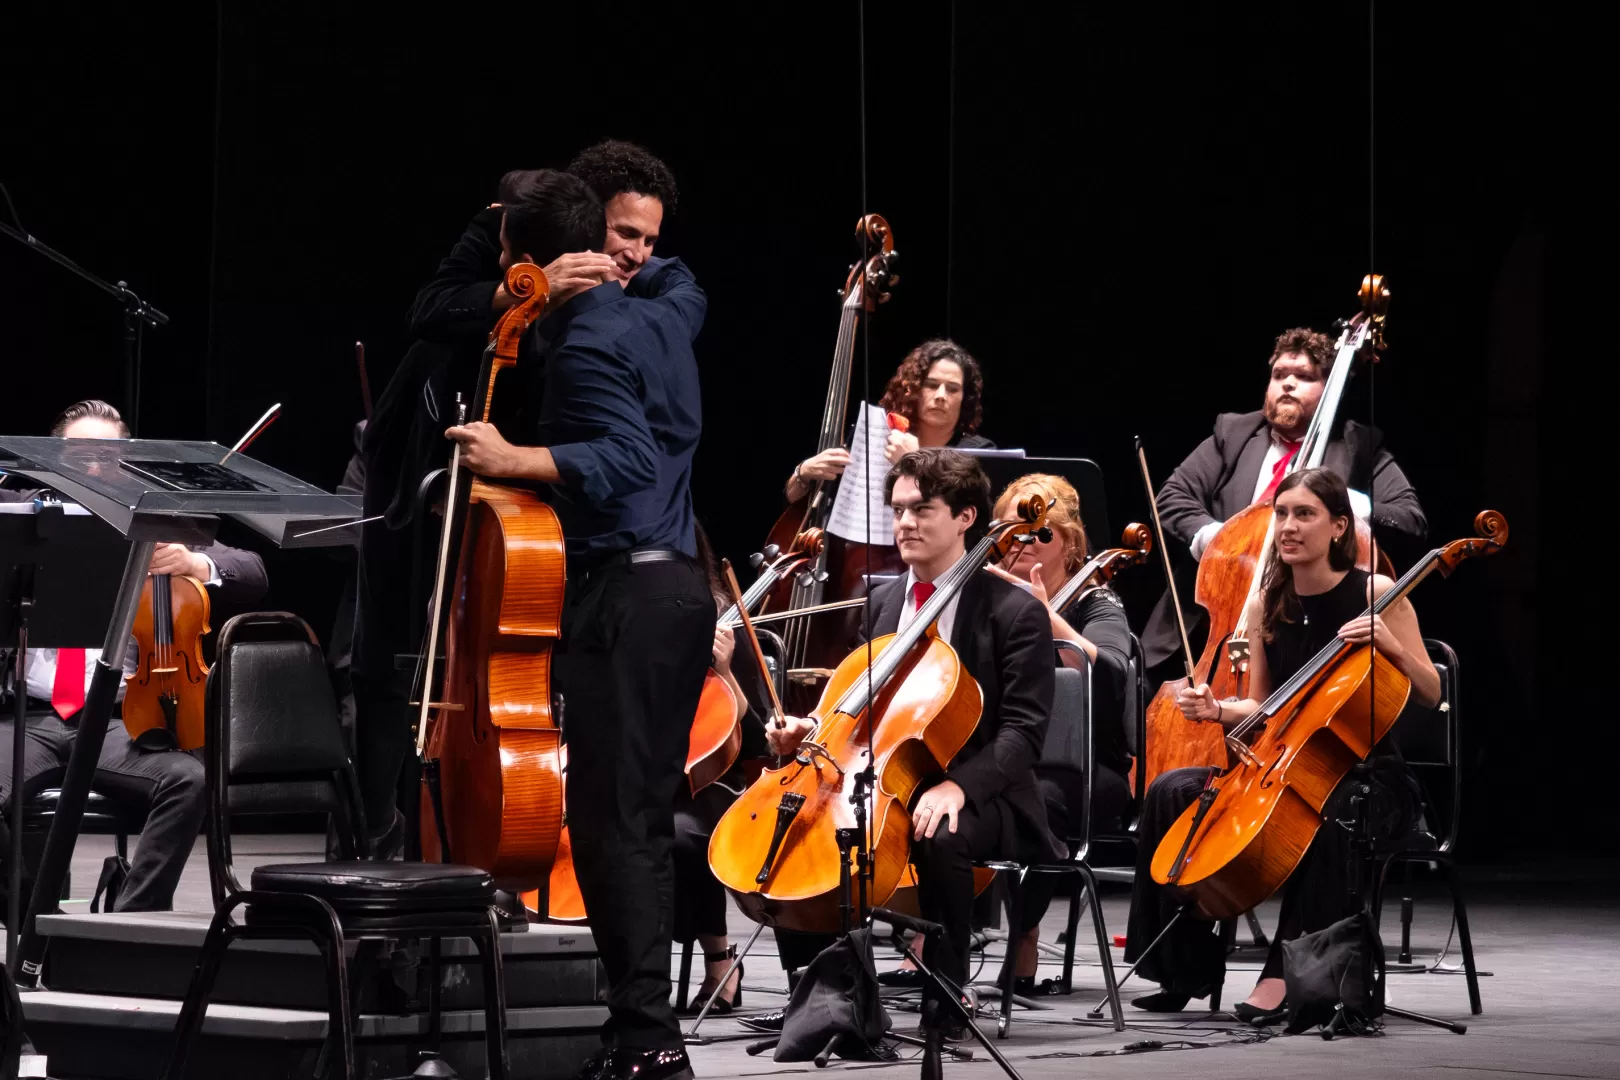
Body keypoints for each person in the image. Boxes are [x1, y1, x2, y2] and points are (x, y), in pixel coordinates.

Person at [352, 140, 699, 860]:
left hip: (523, 484)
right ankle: (378, 830)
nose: (635, 252)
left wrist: (614, 297)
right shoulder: (507, 227)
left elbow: (685, 294)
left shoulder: (642, 284)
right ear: (583, 219)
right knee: (396, 650)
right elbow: (430, 308)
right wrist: (525, 284)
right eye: (623, 233)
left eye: (647, 239)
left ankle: (488, 835)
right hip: (433, 460)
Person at [442, 169, 710, 1080]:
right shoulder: (668, 308)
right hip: (677, 591)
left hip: (627, 595)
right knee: (632, 819)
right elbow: (680, 277)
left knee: (611, 827)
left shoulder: (591, 336)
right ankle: (638, 1029)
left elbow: (627, 455)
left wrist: (513, 455)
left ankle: (645, 1040)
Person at [760, 448, 1064, 1037]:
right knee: (797, 823)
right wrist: (813, 731)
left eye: (922, 509)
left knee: (937, 829)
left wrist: (958, 787)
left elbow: (1024, 734)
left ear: (966, 518)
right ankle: (821, 989)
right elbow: (868, 711)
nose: (905, 523)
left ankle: (947, 992)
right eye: (898, 511)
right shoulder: (880, 601)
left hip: (987, 790)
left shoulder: (1014, 611)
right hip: (888, 778)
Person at [1125, 467, 1435, 1021]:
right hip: (1283, 760)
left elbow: (1431, 692)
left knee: (1330, 810)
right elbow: (1263, 707)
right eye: (1282, 514)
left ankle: (1286, 972)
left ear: (1339, 526)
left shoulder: (1375, 593)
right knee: (1172, 790)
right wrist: (1217, 710)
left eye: (1305, 514)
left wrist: (1391, 645)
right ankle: (1181, 970)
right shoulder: (1267, 600)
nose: (1288, 527)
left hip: (1369, 777)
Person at [0, 400, 268, 911]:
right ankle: (33, 915)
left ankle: (127, 919)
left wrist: (194, 560)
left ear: (126, 459)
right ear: (53, 457)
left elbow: (252, 572)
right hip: (25, 718)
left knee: (188, 781)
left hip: (116, 720)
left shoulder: (154, 519)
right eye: (80, 454)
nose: (93, 465)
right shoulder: (20, 511)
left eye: (107, 454)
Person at [1142, 327, 1426, 678]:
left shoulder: (1359, 448)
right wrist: (1217, 542)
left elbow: (1409, 518)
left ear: (1330, 390)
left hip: (1306, 629)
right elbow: (1172, 497)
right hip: (1208, 624)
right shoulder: (1233, 433)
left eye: (1304, 377)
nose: (1287, 384)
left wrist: (1341, 501)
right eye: (1279, 375)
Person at [983, 473, 1134, 992]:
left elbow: (1113, 670)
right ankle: (926, 943)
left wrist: (1049, 621)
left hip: (1088, 769)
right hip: (1005, 757)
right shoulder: (982, 595)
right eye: (1013, 532)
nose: (1025, 544)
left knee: (1036, 800)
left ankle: (1024, 941)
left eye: (1042, 534)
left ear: (1071, 545)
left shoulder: (1096, 602)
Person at [670, 527, 771, 1016]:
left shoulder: (725, 625)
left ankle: (720, 961)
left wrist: (727, 671)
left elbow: (759, 740)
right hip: (643, 774)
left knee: (679, 835)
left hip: (708, 785)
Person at [784, 339, 994, 504]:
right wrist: (803, 473)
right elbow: (793, 499)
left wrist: (913, 462)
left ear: (964, 398)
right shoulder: (875, 438)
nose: (941, 395)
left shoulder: (978, 453)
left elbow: (975, 520)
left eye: (952, 389)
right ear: (913, 390)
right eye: (931, 385)